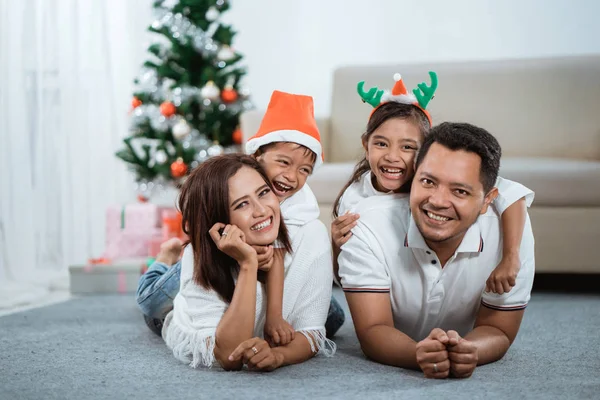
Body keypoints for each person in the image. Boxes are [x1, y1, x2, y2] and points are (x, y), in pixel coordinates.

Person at [136, 91, 345, 339]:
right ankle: (164, 259)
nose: (292, 176)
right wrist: (274, 317)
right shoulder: (235, 180)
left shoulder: (298, 202)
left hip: (279, 273)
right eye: (283, 163)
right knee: (153, 307)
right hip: (217, 260)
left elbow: (281, 256)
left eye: (304, 170)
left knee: (333, 319)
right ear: (257, 157)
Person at [338, 122, 535, 378]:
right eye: (428, 181)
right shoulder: (366, 223)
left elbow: (498, 329)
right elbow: (373, 328)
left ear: (488, 199)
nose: (438, 201)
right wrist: (417, 354)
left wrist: (471, 350)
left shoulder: (511, 238)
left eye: (460, 191)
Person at [331, 72, 533, 294]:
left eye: (407, 147)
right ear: (365, 144)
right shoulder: (354, 197)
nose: (392, 156)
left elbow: (513, 195)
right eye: (381, 144)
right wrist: (336, 245)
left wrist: (511, 256)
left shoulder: (439, 181)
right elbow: (347, 278)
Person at [163, 154, 335, 371]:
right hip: (181, 300)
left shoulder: (310, 232)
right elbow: (228, 355)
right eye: (242, 204)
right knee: (153, 300)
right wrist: (247, 264)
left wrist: (277, 356)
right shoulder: (198, 255)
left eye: (264, 193)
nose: (262, 210)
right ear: (219, 219)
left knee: (333, 317)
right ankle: (164, 259)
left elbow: (311, 331)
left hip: (280, 303)